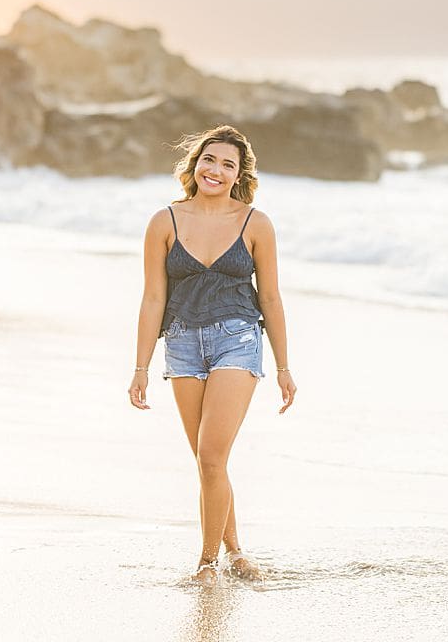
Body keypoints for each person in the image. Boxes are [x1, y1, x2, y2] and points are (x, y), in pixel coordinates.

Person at [128, 124, 296, 587]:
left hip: (237, 339)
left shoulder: (254, 223)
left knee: (211, 455)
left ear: (239, 174)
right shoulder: (165, 221)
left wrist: (283, 367)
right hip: (181, 342)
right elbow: (152, 299)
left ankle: (206, 562)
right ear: (195, 164)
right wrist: (140, 366)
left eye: (228, 165)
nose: (216, 170)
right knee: (209, 462)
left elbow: (272, 299)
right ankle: (237, 552)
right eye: (209, 160)